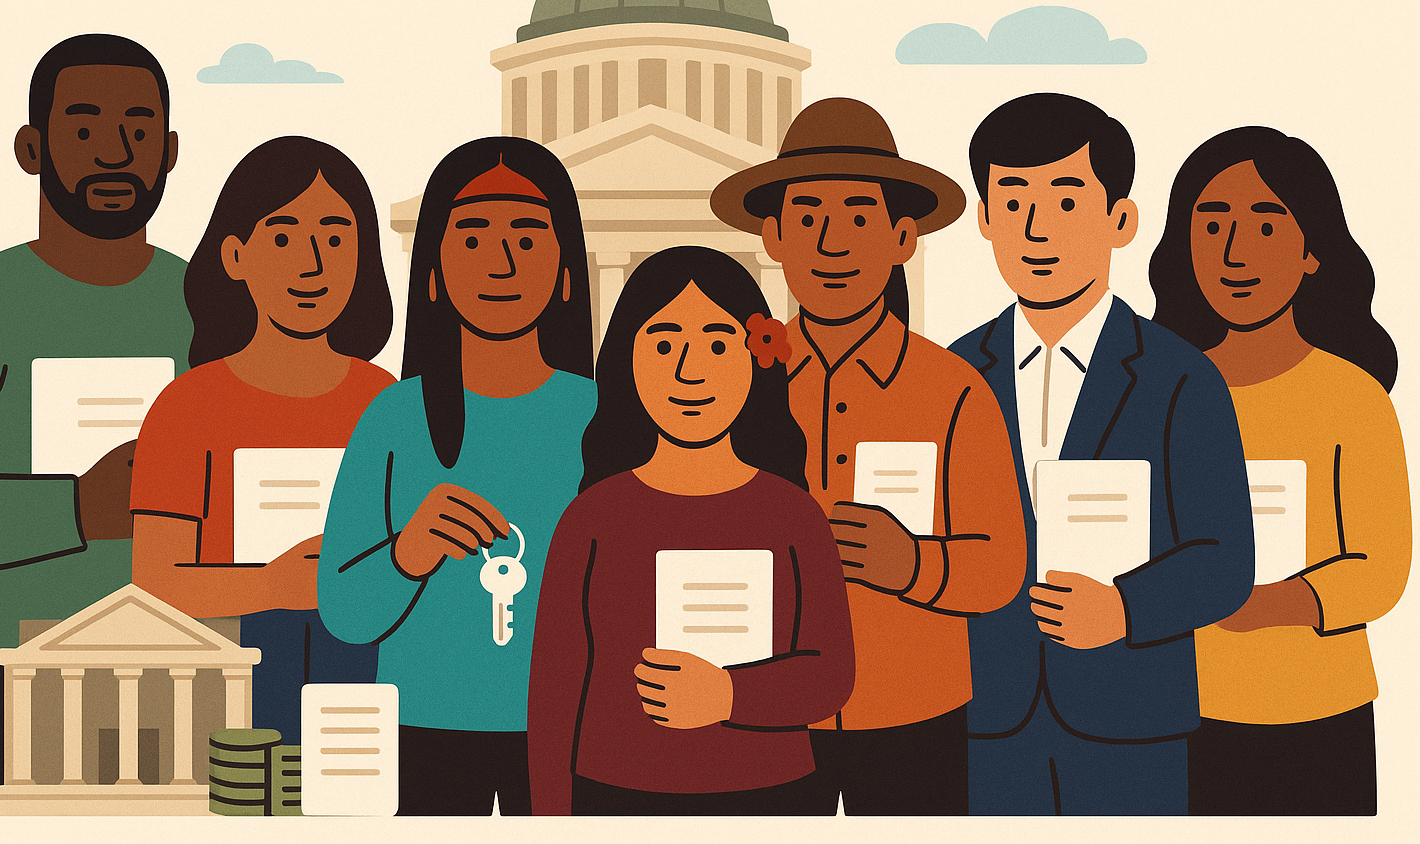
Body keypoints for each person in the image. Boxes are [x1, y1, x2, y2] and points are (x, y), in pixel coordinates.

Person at [0, 34, 192, 815]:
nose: (114, 153)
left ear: (168, 151)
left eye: (138, 129)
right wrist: (81, 508)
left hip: (184, 662)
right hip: (2, 665)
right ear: (32, 148)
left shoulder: (215, 309)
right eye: (85, 127)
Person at [707, 97, 1026, 815]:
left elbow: (1003, 565)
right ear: (774, 236)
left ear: (902, 237)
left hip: (920, 714)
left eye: (858, 217)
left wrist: (912, 564)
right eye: (809, 219)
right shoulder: (730, 383)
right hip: (767, 704)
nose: (833, 244)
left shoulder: (955, 390)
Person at [946, 92, 1255, 814]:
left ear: (1120, 221)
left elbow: (1224, 559)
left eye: (1065, 200)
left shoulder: (1183, 377)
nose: (1035, 230)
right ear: (986, 219)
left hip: (1133, 724)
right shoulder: (956, 375)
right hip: (985, 724)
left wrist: (1125, 608)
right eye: (1013, 201)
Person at [317, 137, 596, 816]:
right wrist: (407, 555)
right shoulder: (393, 418)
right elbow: (342, 613)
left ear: (566, 270)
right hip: (425, 732)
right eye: (472, 238)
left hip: (571, 733)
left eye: (527, 239)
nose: (500, 263)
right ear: (434, 271)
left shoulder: (605, 417)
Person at [528, 246, 855, 815]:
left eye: (718, 344)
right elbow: (554, 696)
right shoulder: (592, 518)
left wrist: (728, 695)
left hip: (773, 795)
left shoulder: (794, 516)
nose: (690, 370)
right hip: (616, 796)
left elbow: (831, 675)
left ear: (757, 359)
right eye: (663, 344)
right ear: (625, 362)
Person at [1149, 126, 1410, 815]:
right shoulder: (1156, 391)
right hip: (1174, 713)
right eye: (1213, 224)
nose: (1235, 252)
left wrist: (1269, 606)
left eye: (1266, 225)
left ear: (1312, 252)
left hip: (1319, 718)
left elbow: (1381, 568)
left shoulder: (1353, 398)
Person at [129, 136, 394, 742]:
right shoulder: (187, 407)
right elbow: (156, 579)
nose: (313, 263)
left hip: (363, 691)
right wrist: (272, 586)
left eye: (335, 238)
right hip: (226, 683)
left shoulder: (386, 401)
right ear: (234, 255)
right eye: (282, 237)